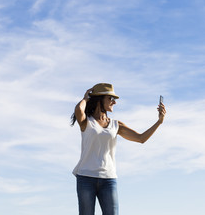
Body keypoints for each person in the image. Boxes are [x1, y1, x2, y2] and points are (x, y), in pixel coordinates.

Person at [71, 83, 166, 215]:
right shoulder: (87, 122)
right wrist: (86, 98)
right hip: (86, 178)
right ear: (100, 99)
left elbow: (141, 138)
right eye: (110, 98)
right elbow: (79, 110)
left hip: (108, 179)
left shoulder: (116, 125)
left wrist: (159, 122)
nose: (114, 102)